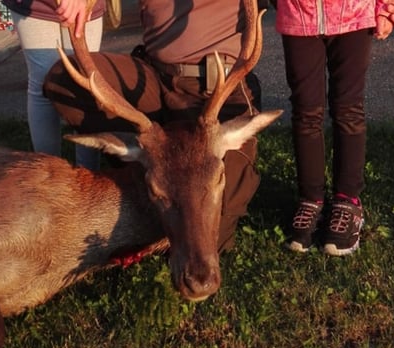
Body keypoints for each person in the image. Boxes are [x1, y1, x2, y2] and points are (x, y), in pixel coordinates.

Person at [42, 0, 267, 252]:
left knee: (214, 232)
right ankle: (154, 169)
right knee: (64, 78)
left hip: (217, 91)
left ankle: (164, 186)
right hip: (155, 79)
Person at [276, 0, 394, 256]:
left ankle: (348, 202)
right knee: (305, 111)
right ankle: (310, 200)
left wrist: (384, 8)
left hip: (353, 15)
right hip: (298, 14)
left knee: (348, 110)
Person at [2, 0, 106, 170]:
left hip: (87, 5)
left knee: (87, 86)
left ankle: (89, 176)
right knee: (44, 84)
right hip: (35, 7)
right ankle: (49, 173)